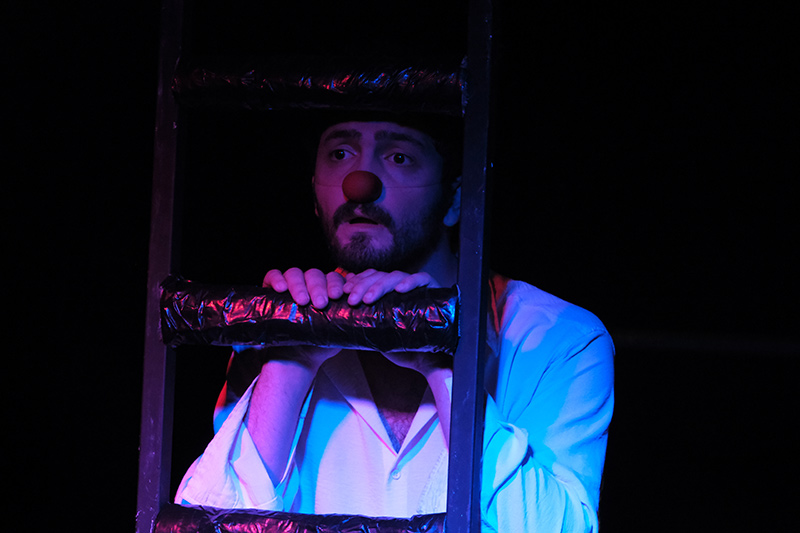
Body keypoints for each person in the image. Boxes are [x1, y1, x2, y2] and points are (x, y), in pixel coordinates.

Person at [174, 114, 615, 532]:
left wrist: (446, 365)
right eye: (340, 153)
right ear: (314, 195)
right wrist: (292, 361)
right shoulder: (272, 332)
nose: (359, 184)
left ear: (455, 199)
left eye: (399, 156)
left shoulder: (561, 340)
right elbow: (206, 520)